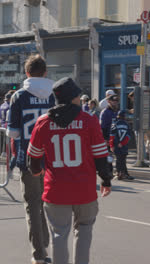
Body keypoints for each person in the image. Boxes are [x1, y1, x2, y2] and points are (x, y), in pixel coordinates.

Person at [27, 77, 112, 264]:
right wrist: (106, 180)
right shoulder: (89, 121)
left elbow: (33, 157)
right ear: (73, 97)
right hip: (84, 189)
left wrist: (36, 171)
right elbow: (100, 156)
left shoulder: (43, 122)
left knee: (58, 234)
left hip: (55, 190)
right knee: (84, 231)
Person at [6, 54, 54, 264]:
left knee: (32, 204)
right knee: (47, 202)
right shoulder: (55, 95)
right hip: (52, 157)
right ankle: (45, 242)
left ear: (26, 73)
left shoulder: (19, 96)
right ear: (45, 73)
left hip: (28, 156)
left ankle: (39, 253)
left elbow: (13, 133)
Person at [109, 110, 134, 181]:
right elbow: (128, 136)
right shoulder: (127, 125)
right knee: (123, 160)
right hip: (124, 145)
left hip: (116, 145)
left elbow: (112, 136)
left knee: (118, 159)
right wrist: (122, 143)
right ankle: (124, 173)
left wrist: (111, 145)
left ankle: (119, 173)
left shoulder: (114, 124)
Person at [100, 94, 119, 177]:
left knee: (119, 155)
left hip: (117, 138)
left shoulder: (116, 111)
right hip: (108, 137)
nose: (115, 103)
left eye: (116, 101)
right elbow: (102, 127)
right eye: (113, 101)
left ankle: (120, 172)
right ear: (108, 101)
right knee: (108, 156)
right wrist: (105, 139)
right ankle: (108, 172)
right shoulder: (105, 112)